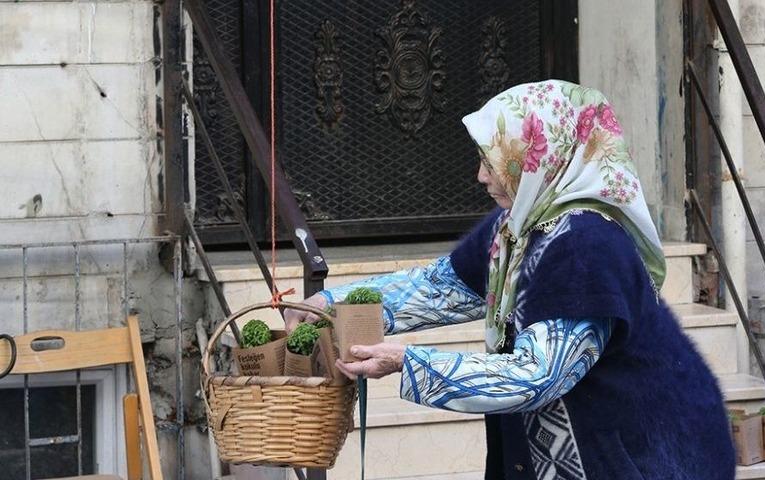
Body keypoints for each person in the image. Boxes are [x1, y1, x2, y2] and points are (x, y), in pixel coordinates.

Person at [284, 80, 736, 479]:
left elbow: (537, 374)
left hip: (641, 456)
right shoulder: (517, 225)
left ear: (542, 156)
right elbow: (442, 288)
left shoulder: (587, 245)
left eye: (494, 160)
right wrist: (328, 305)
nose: (481, 175)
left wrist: (409, 363)